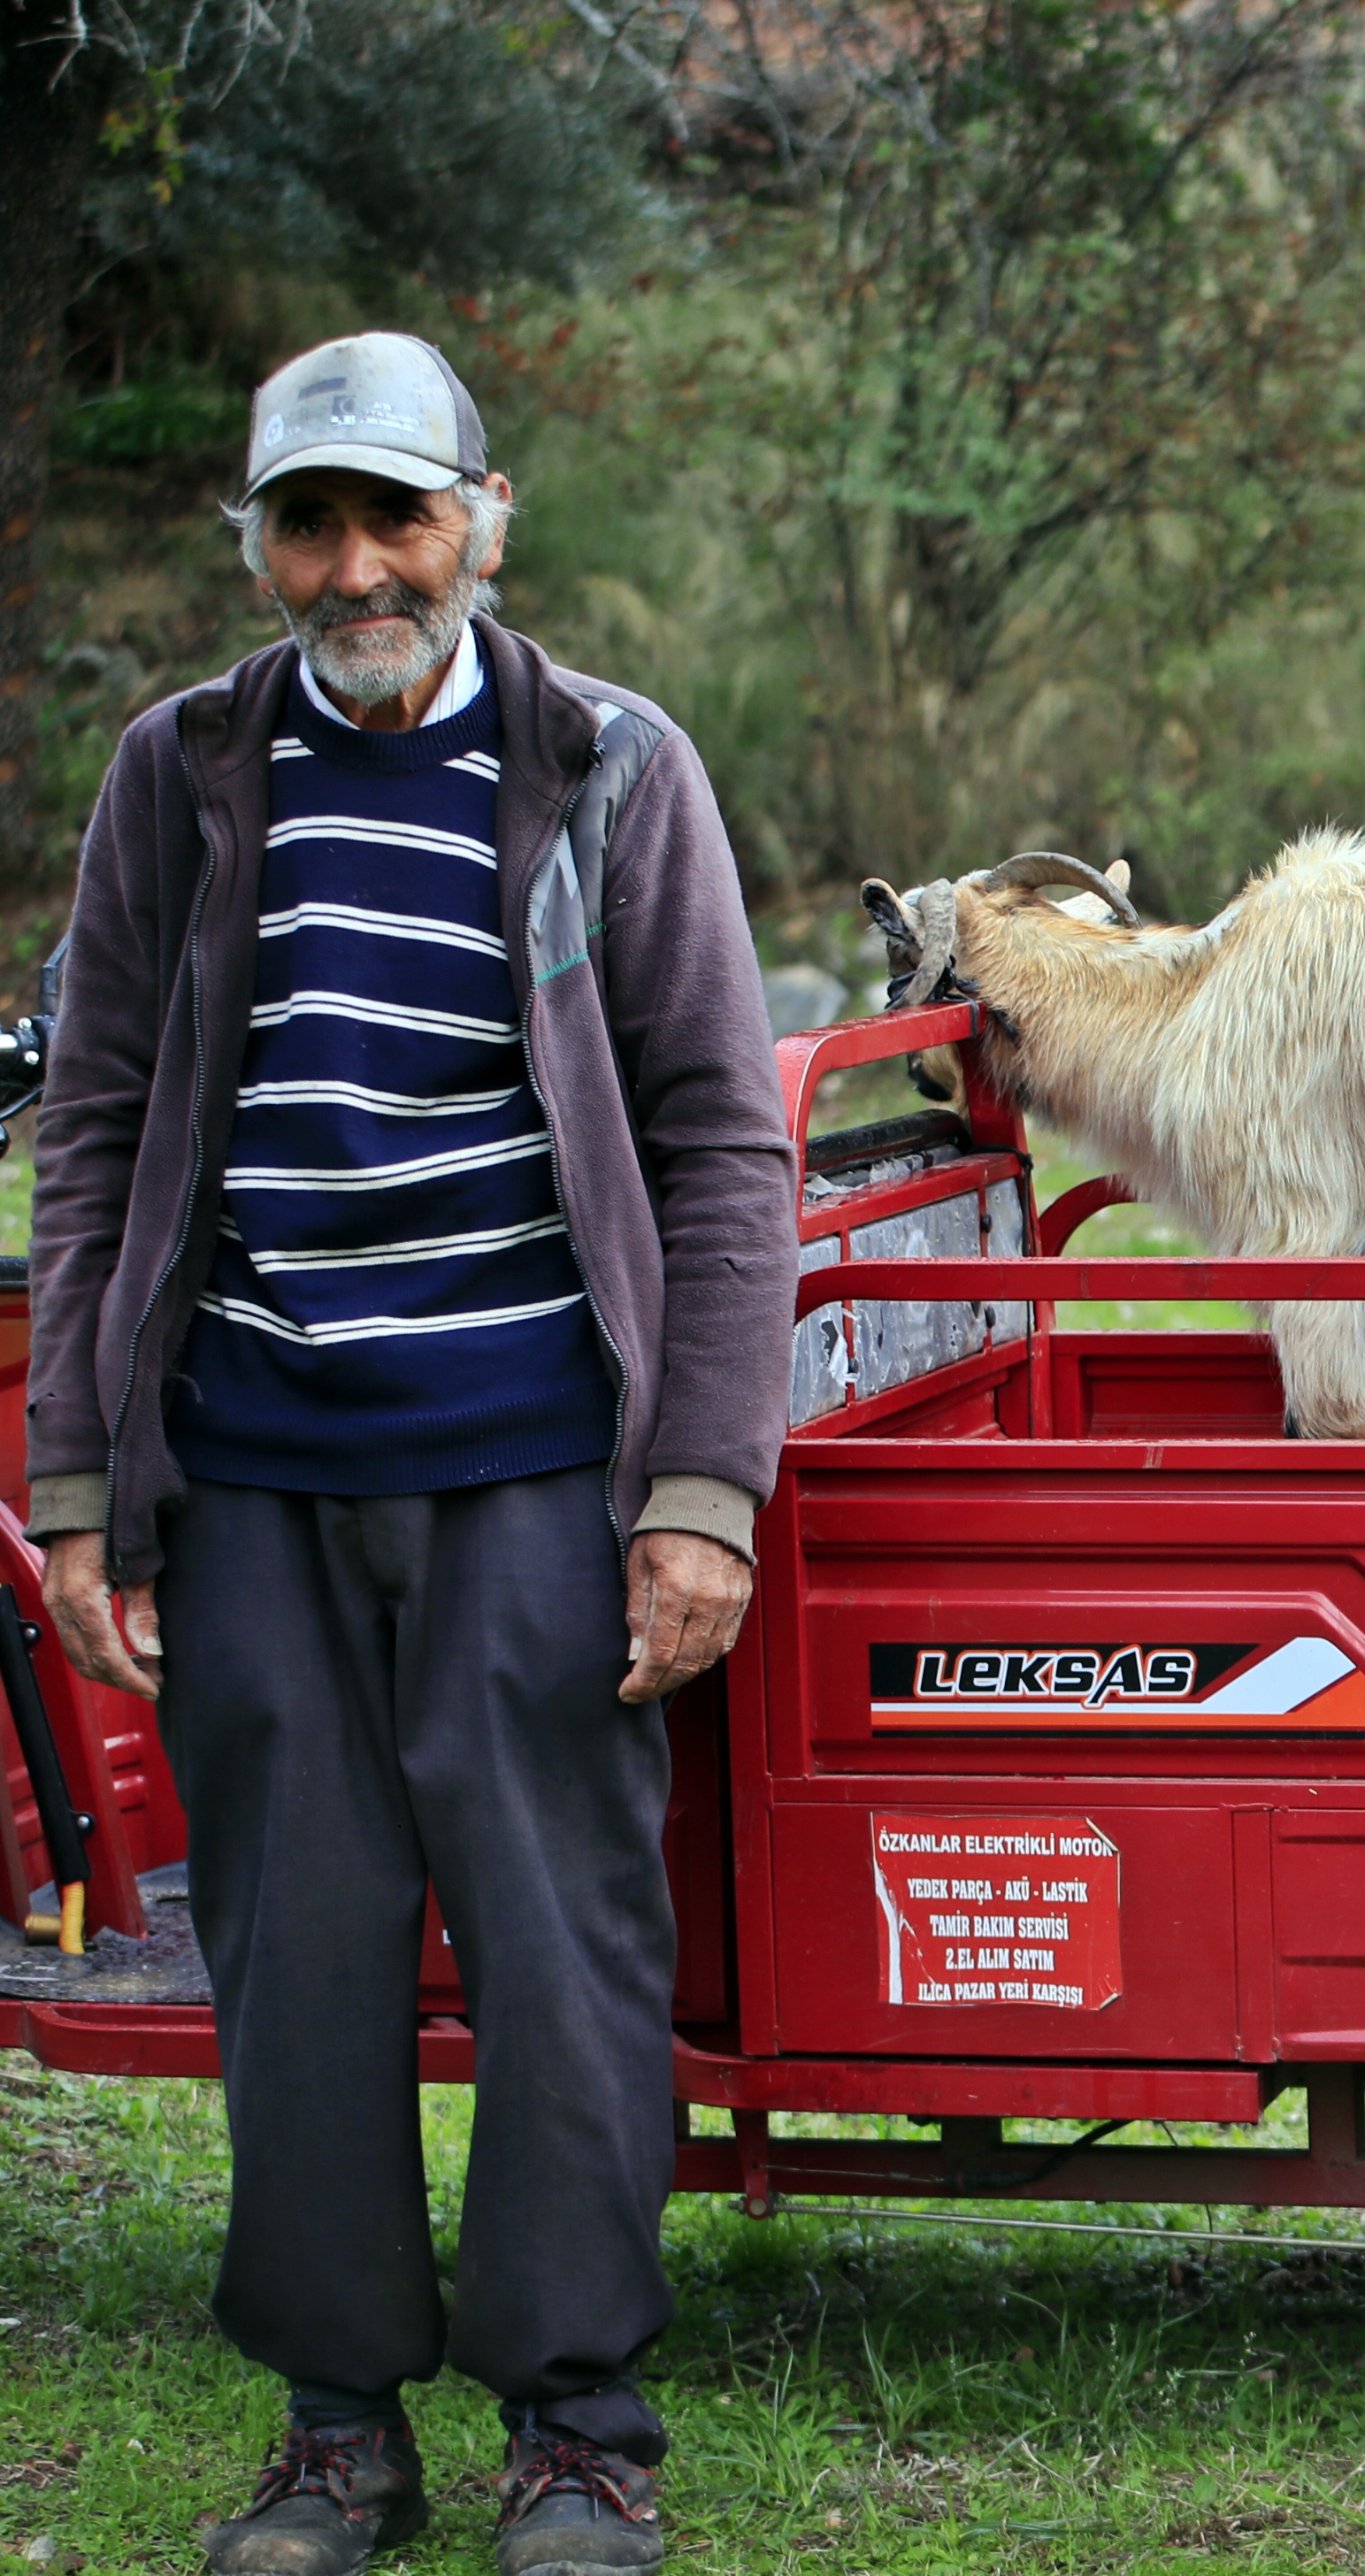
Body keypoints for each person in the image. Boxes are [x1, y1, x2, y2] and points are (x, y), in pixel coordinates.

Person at [27, 332, 796, 2576]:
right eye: (311, 524)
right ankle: (338, 2429)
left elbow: (723, 1144)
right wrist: (81, 1481)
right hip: (251, 1472)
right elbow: (93, 1133)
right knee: (300, 1955)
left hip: (535, 1465)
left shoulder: (609, 767)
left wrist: (702, 1492)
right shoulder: (179, 775)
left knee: (564, 1951)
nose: (359, 567)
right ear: (257, 545)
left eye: (401, 516)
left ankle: (581, 2429)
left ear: (484, 519)